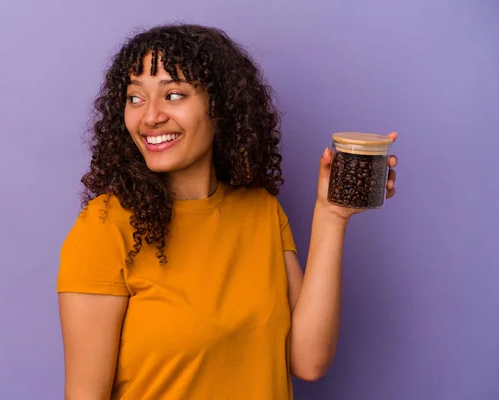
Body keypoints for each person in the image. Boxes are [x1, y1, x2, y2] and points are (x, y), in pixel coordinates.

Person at [56, 24, 398, 400]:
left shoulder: (261, 211)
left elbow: (309, 360)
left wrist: (332, 215)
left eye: (173, 94)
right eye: (135, 98)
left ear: (220, 108)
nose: (149, 117)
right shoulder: (105, 226)